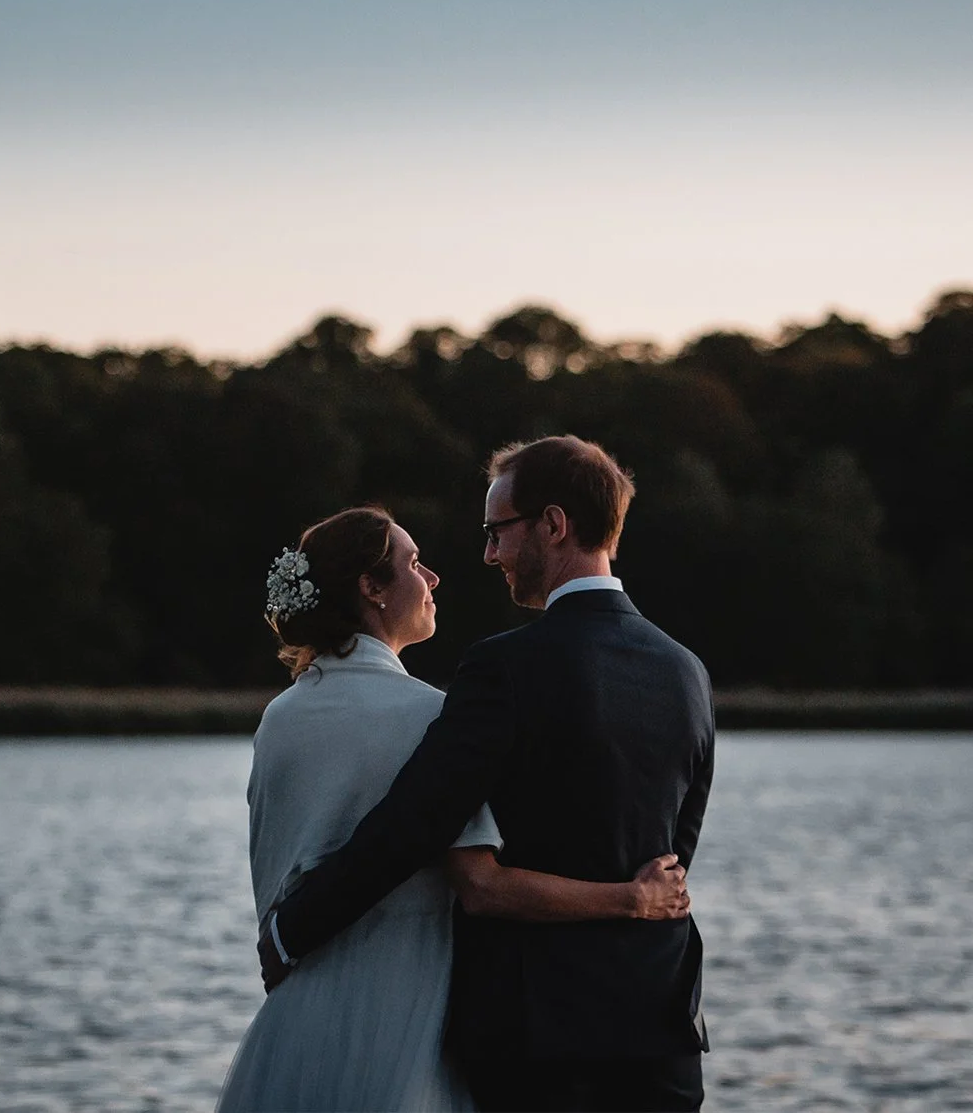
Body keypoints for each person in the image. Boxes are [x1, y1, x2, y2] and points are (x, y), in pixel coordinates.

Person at [261, 438, 715, 1113]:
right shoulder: (687, 671)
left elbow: (414, 822)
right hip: (661, 1032)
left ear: (553, 525)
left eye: (497, 532)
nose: (489, 555)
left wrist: (291, 929)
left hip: (540, 1044)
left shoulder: (506, 668)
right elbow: (676, 855)